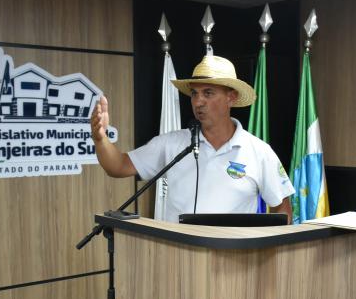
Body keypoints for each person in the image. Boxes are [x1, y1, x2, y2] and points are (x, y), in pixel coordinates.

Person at [90, 55, 294, 223]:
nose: (198, 102)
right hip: (179, 257)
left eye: (208, 93)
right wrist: (101, 139)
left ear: (231, 97)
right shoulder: (172, 144)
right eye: (195, 94)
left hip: (234, 257)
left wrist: (264, 250)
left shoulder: (259, 151)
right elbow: (118, 166)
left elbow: (282, 209)